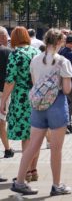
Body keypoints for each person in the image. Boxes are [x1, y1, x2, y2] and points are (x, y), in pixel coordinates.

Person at [10, 28, 72, 196]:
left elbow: (34, 83)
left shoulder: (35, 60)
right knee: (56, 149)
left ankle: (20, 181)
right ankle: (56, 185)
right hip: (57, 106)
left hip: (37, 106)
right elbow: (66, 89)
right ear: (59, 42)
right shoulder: (62, 61)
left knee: (32, 146)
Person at [0, 26, 40, 182]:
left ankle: (27, 173)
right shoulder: (36, 52)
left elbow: (10, 81)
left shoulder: (16, 54)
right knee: (36, 135)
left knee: (26, 137)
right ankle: (34, 169)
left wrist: (3, 101)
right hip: (37, 97)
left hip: (22, 98)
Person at [0, 26, 14, 158]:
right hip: (2, 92)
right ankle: (7, 149)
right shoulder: (8, 52)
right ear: (3, 37)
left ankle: (7, 148)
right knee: (1, 121)